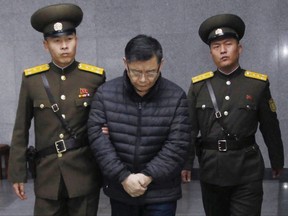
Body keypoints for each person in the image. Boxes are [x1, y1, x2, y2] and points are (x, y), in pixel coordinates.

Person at [182, 13, 284, 216]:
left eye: (228, 44)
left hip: (247, 169)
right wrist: (186, 163)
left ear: (239, 48)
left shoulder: (257, 84)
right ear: (211, 52)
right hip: (212, 169)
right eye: (216, 47)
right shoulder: (199, 86)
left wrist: (277, 160)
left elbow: (270, 126)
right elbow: (190, 130)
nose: (223, 50)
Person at [8, 3, 106, 216]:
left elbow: (103, 122)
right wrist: (17, 173)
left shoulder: (94, 78)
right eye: (57, 41)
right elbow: (20, 129)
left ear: (76, 40)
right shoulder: (32, 80)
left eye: (69, 40)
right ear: (46, 45)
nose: (64, 46)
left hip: (84, 174)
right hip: (48, 176)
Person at [87, 34, 191, 216]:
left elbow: (177, 144)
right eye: (135, 72)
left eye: (151, 72)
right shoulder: (105, 94)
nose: (143, 79)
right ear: (125, 63)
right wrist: (124, 177)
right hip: (121, 189)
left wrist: (146, 176)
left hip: (161, 191)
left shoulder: (176, 96)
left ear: (161, 65)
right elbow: (98, 139)